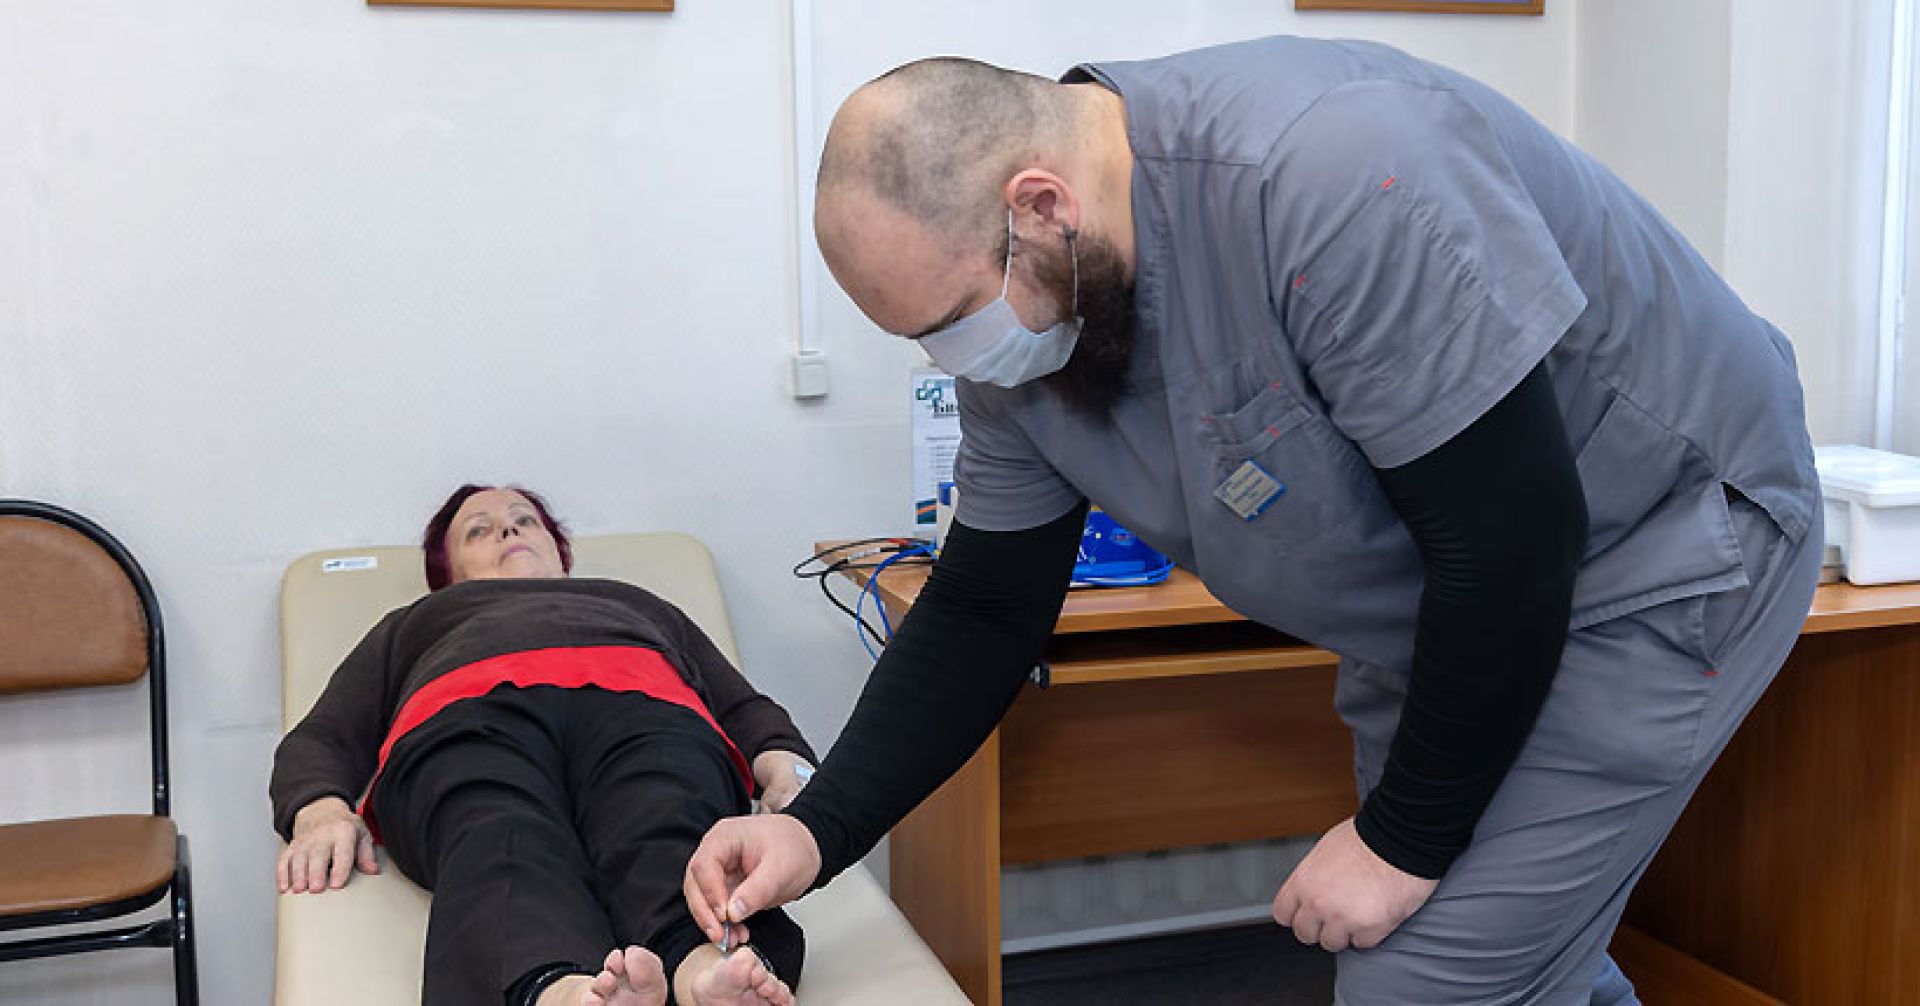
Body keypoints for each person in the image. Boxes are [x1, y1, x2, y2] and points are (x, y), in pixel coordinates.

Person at [686, 37, 1822, 1005]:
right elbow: (986, 605)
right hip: (1454, 609)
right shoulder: (1036, 314)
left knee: (1420, 979)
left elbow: (1514, 540)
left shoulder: (1335, 173)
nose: (955, 361)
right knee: (1512, 959)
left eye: (952, 320)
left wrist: (1401, 839)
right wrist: (817, 827)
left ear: (1041, 205)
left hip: (1656, 553)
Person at [272, 485, 812, 1006]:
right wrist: (320, 808)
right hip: (469, 721)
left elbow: (743, 708)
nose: (507, 529)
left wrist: (788, 770)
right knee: (497, 832)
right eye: (477, 530)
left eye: (524, 519)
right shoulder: (415, 622)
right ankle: (561, 993)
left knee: (667, 816)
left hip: (645, 712)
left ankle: (706, 974)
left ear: (559, 549)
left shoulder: (638, 603)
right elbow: (326, 732)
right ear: (447, 575)